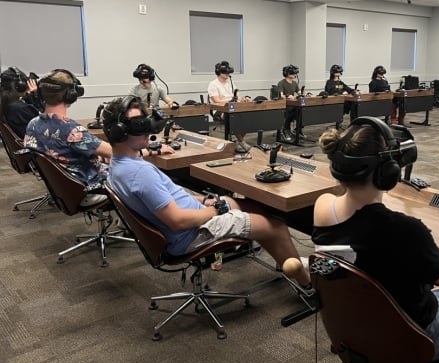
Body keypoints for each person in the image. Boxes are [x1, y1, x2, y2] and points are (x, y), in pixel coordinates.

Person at [312, 117, 439, 363]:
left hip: (356, 330)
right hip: (413, 341)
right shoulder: (402, 229)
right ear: (387, 174)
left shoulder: (322, 207)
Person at [103, 96, 312, 288]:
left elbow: (167, 199)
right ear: (119, 132)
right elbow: (178, 221)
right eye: (139, 126)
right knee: (276, 225)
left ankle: (284, 258)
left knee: (256, 208)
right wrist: (216, 211)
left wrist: (202, 200)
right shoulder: (140, 173)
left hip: (191, 220)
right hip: (192, 233)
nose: (147, 131)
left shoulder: (118, 165)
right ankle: (307, 283)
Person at [23, 69, 112, 187]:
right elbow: (116, 152)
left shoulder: (32, 124)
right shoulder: (72, 131)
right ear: (71, 95)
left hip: (63, 185)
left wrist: (97, 155)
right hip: (89, 185)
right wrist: (144, 150)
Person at [208, 60, 251, 153]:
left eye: (229, 73)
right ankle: (241, 142)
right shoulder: (213, 84)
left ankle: (238, 143)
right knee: (234, 118)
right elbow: (217, 101)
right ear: (219, 73)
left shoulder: (230, 83)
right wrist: (231, 100)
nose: (228, 75)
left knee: (247, 118)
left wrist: (243, 99)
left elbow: (238, 96)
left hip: (233, 107)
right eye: (226, 73)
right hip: (220, 109)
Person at [0, 66, 44, 137]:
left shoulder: (8, 106)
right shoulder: (18, 109)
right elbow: (47, 123)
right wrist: (35, 96)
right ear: (19, 86)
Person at [277, 64, 300, 142]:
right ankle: (285, 130)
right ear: (287, 74)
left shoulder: (295, 83)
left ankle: (298, 130)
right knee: (288, 113)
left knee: (301, 112)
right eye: (293, 73)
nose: (295, 75)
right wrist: (287, 96)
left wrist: (303, 95)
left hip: (293, 105)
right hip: (284, 105)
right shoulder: (281, 83)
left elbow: (299, 92)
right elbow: (281, 95)